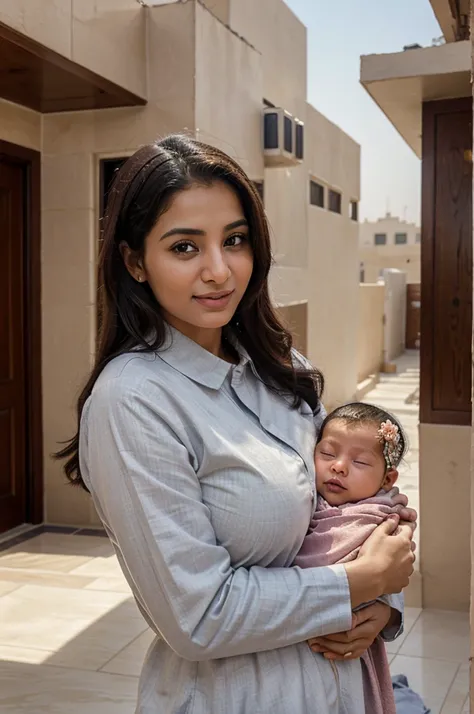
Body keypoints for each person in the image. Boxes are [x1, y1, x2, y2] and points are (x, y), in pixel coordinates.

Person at [55, 134, 416, 714]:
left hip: (342, 690)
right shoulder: (134, 401)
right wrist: (357, 585)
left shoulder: (283, 369)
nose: (219, 271)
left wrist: (382, 607)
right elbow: (197, 616)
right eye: (184, 247)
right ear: (133, 261)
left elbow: (346, 509)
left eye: (235, 240)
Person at [295, 402, 409, 714]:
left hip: (344, 646)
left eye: (359, 462)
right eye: (328, 454)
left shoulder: (377, 517)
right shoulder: (310, 501)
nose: (339, 466)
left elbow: (389, 572)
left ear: (387, 480)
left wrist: (385, 606)